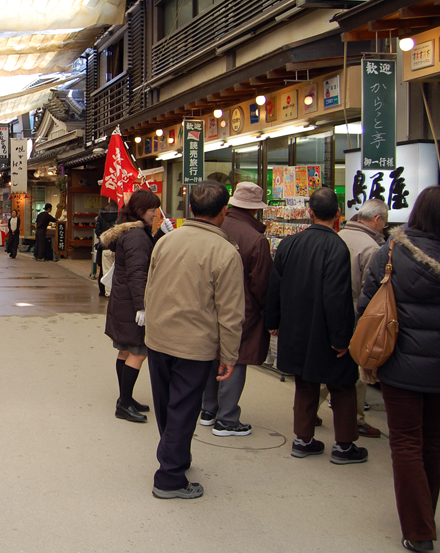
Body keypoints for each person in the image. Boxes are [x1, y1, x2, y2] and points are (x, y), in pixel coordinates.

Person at [358, 186, 440, 552]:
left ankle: (419, 531)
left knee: (405, 443)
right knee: (433, 443)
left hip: (399, 364)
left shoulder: (390, 252)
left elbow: (367, 305)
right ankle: (425, 518)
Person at [143, 181, 244, 499]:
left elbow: (151, 286)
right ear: (224, 212)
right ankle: (169, 477)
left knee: (166, 406)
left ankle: (175, 457)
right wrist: (229, 355)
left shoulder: (166, 241)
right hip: (194, 344)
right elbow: (230, 313)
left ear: (191, 210)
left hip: (158, 337)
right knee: (184, 408)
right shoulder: (226, 252)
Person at [267, 187, 366, 465]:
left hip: (296, 326)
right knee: (343, 385)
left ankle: (303, 439)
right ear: (338, 213)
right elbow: (337, 296)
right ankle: (344, 445)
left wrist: (273, 321)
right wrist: (341, 338)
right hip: (327, 330)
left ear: (309, 212)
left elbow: (275, 286)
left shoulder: (289, 244)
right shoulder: (337, 247)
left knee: (305, 383)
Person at [200, 182, 272, 437]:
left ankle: (208, 409)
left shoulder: (215, 227)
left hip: (209, 303)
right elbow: (261, 283)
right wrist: (268, 313)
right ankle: (227, 417)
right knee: (236, 358)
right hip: (244, 308)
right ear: (255, 210)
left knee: (212, 354)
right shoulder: (256, 239)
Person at [102, 189, 173, 424]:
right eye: (153, 209)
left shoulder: (132, 231)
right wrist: (142, 307)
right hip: (132, 304)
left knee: (124, 350)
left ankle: (126, 397)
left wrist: (161, 235)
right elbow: (137, 274)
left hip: (123, 302)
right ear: (142, 210)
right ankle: (123, 403)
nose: (156, 214)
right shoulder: (136, 236)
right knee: (138, 353)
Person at [335, 198, 389, 438]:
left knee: (333, 363)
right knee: (355, 368)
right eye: (384, 223)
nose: (384, 228)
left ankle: (308, 409)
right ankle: (354, 420)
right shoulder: (372, 248)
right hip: (356, 312)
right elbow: (372, 290)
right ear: (377, 220)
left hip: (332, 309)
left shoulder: (339, 235)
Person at [95, 199, 119, 296]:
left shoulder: (101, 214)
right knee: (118, 271)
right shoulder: (121, 214)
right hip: (118, 247)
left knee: (106, 270)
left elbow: (97, 230)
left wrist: (103, 238)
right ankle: (116, 292)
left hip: (106, 247)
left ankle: (109, 293)